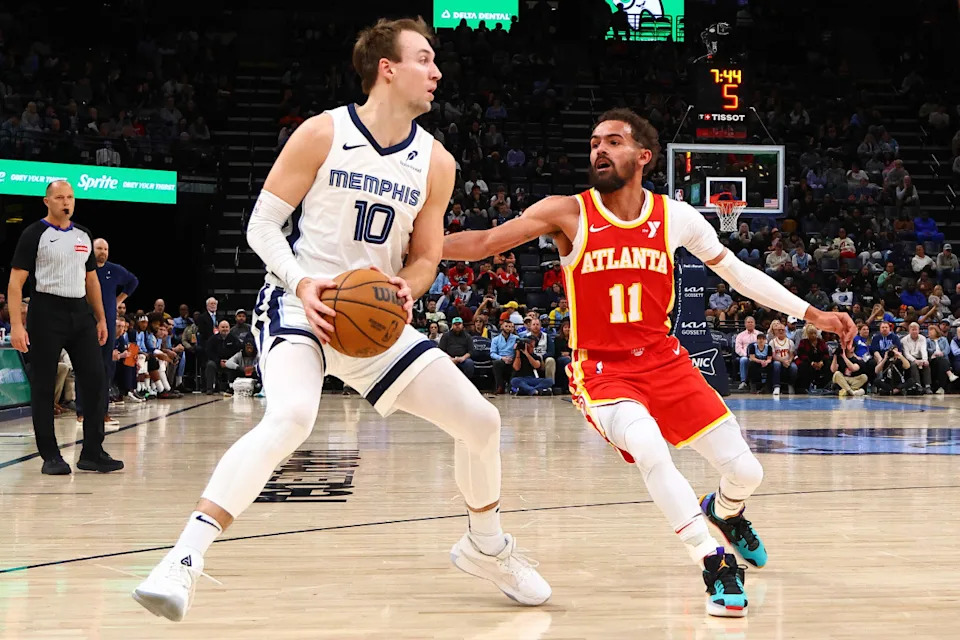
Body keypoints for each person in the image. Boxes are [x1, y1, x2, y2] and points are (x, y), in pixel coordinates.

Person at [133, 17, 549, 622]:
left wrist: (407, 288)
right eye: (424, 59)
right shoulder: (322, 132)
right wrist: (301, 282)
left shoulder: (437, 162)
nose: (436, 72)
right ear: (387, 68)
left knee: (482, 421)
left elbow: (426, 256)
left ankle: (486, 546)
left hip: (373, 320)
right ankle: (182, 561)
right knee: (292, 417)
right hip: (301, 303)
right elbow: (261, 226)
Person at [442, 108, 855, 617]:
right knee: (649, 447)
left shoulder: (675, 216)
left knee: (747, 471)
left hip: (664, 361)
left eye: (613, 141)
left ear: (643, 156)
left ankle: (725, 510)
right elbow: (484, 243)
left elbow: (739, 274)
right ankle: (713, 561)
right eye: (594, 142)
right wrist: (413, 251)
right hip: (603, 370)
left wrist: (813, 313)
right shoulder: (567, 213)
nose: (599, 149)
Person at [7, 180, 124, 475]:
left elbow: (91, 280)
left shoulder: (83, 234)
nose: (66, 202)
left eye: (70, 197)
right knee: (44, 385)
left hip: (80, 313)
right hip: (46, 312)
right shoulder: (34, 234)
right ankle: (50, 455)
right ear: (47, 201)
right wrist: (17, 325)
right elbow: (15, 282)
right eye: (59, 197)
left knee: (95, 380)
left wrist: (100, 318)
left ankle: (92, 452)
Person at [76, 238, 138, 428]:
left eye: (106, 249)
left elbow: (133, 281)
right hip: (86, 323)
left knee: (105, 368)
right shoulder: (82, 267)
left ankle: (103, 412)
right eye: (99, 248)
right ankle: (82, 412)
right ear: (91, 249)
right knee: (84, 367)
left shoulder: (114, 269)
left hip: (108, 325)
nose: (103, 252)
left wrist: (118, 300)